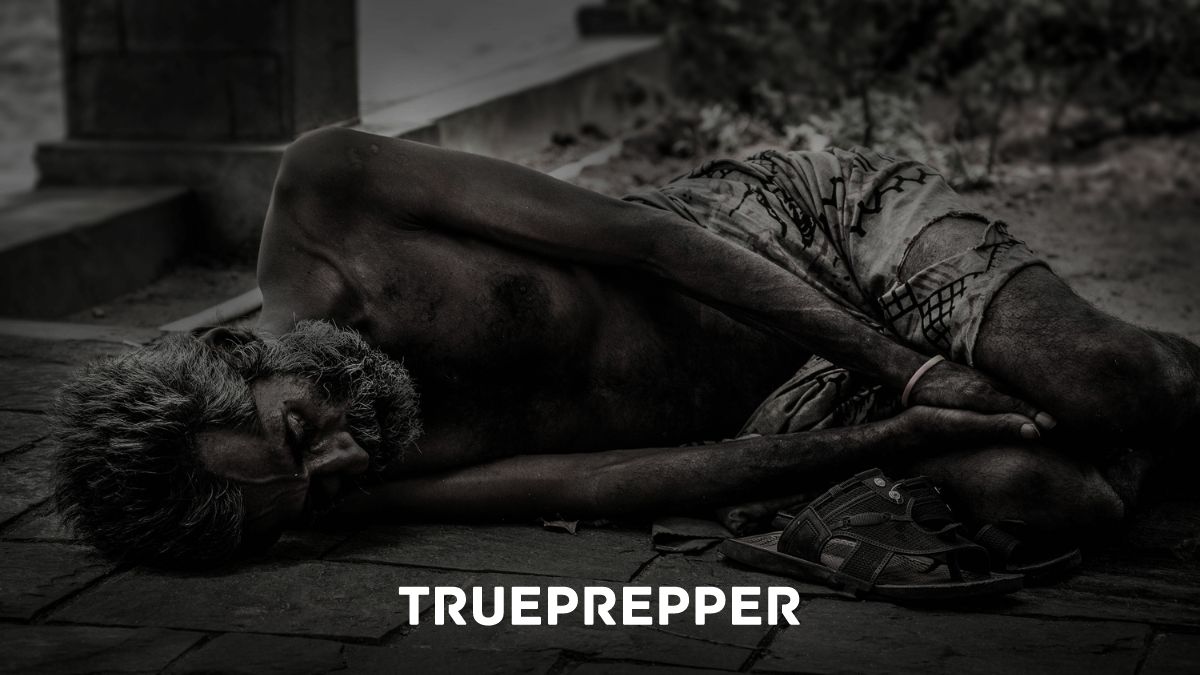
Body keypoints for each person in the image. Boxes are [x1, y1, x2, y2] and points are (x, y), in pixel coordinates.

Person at [54, 127, 1197, 577]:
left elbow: (649, 241)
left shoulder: (331, 198)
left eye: (298, 435)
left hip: (792, 233)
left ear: (239, 365)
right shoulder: (360, 480)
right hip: (782, 407)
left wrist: (910, 366)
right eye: (299, 504)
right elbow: (608, 482)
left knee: (1108, 381)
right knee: (1051, 494)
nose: (339, 463)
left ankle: (1124, 390)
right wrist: (895, 429)